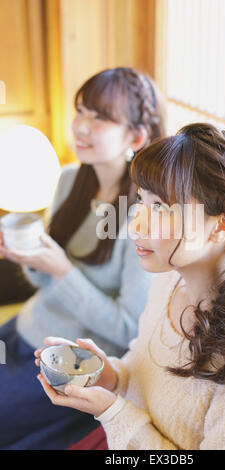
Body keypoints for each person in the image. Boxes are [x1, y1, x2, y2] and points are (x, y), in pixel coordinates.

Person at [36, 122, 225, 450]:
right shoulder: (169, 279)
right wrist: (110, 376)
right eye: (142, 200)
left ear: (221, 225)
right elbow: (144, 371)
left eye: (160, 207)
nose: (135, 223)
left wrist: (112, 412)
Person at [0, 67, 166, 450]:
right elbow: (44, 282)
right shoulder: (71, 179)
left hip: (67, 364)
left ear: (136, 136)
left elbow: (128, 329)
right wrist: (32, 257)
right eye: (81, 112)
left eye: (101, 118)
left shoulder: (141, 214)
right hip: (25, 327)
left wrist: (62, 269)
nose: (81, 127)